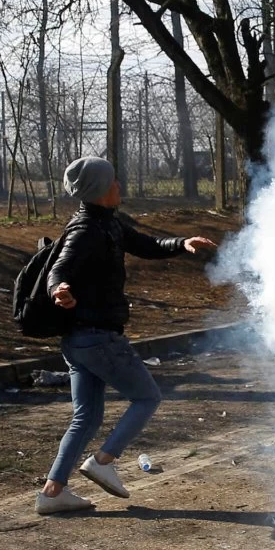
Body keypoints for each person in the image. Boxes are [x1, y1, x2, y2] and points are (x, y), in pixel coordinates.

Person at [36, 156, 216, 515]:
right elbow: (58, 269)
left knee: (85, 417)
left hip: (79, 340)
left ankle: (52, 493)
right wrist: (59, 289)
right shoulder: (86, 230)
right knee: (147, 397)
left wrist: (182, 243)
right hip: (98, 338)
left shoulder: (108, 223)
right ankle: (104, 460)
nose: (119, 186)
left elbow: (146, 245)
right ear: (101, 190)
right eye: (114, 181)